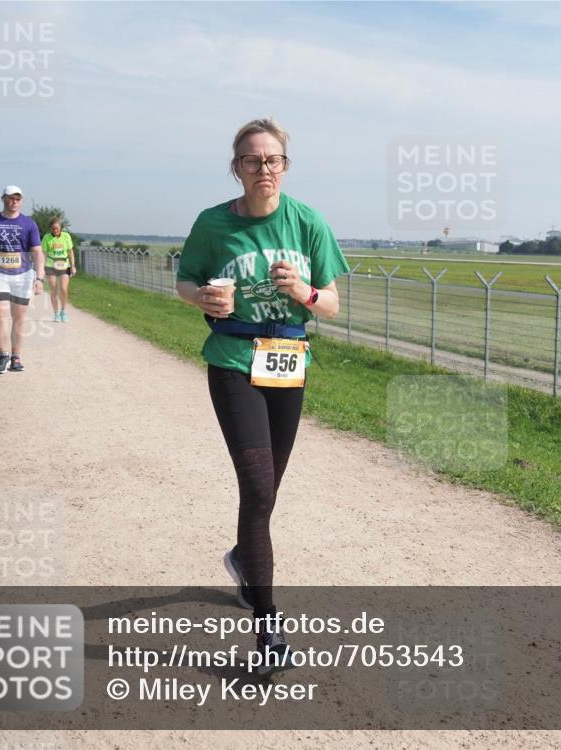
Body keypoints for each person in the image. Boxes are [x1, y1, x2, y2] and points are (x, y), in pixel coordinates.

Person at [176, 118, 349, 674]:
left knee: (266, 491)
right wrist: (201, 298)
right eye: (252, 160)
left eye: (273, 160)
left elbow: (333, 304)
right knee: (255, 483)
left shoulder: (308, 222)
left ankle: (241, 557)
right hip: (232, 359)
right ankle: (269, 624)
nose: (264, 168)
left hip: (288, 362)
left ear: (285, 166)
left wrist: (305, 291)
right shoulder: (213, 223)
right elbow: (185, 280)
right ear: (237, 167)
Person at [0, 186, 44, 373]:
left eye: (17, 198)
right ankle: (3, 355)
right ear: (3, 199)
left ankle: (16, 356)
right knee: (0, 312)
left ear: (21, 201)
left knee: (19, 316)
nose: (14, 201)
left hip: (22, 274)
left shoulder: (29, 224)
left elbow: (37, 252)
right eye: (10, 198)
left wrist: (40, 278)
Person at [41, 217, 76, 321]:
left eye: (57, 229)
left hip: (64, 265)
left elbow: (70, 252)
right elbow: (44, 253)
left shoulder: (66, 236)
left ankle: (63, 311)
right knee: (54, 290)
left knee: (64, 289)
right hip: (50, 265)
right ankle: (56, 313)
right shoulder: (46, 238)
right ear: (50, 228)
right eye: (53, 229)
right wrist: (42, 267)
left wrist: (73, 266)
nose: (55, 231)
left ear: (61, 228)